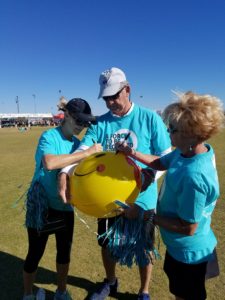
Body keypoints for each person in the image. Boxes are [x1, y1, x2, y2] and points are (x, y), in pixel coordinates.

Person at [59, 67, 171, 300]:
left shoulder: (150, 118)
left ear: (127, 89)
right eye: (106, 98)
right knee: (107, 244)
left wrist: (149, 177)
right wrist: (65, 171)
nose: (109, 102)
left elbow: (166, 155)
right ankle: (110, 282)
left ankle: (144, 291)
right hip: (107, 199)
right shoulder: (100, 124)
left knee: (144, 248)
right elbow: (83, 150)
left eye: (114, 96)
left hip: (142, 199)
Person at [116, 91, 224, 300]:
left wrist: (145, 215)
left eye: (172, 129)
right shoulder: (189, 151)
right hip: (180, 248)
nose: (168, 132)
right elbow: (160, 162)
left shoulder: (194, 174)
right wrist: (132, 153)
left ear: (192, 134)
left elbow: (188, 226)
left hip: (189, 254)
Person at [22, 97, 102, 300]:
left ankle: (61, 291)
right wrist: (86, 154)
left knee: (64, 254)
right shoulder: (49, 136)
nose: (83, 126)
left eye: (86, 122)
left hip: (65, 207)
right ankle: (28, 294)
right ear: (66, 115)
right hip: (42, 206)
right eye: (79, 121)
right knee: (35, 253)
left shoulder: (78, 144)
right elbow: (49, 163)